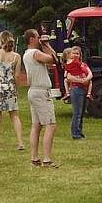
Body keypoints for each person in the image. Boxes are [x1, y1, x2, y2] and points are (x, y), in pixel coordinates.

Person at [23, 29, 59, 167]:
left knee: (36, 125)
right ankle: (47, 159)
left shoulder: (26, 54)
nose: (39, 39)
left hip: (33, 90)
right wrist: (47, 45)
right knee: (51, 125)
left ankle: (34, 158)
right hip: (41, 91)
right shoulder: (35, 53)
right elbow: (52, 59)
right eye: (37, 37)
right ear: (32, 39)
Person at [0, 30, 24, 152]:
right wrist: (16, 89)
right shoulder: (16, 57)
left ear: (1, 41)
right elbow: (17, 75)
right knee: (14, 115)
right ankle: (20, 142)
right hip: (10, 86)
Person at [65, 45, 93, 140]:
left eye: (78, 53)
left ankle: (80, 132)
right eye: (74, 53)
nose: (76, 55)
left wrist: (87, 79)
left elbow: (90, 74)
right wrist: (81, 81)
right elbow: (68, 77)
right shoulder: (70, 64)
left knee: (81, 113)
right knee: (77, 112)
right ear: (71, 54)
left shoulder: (83, 64)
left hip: (84, 89)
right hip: (76, 89)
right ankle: (75, 133)